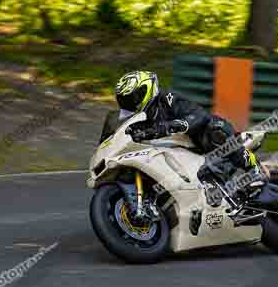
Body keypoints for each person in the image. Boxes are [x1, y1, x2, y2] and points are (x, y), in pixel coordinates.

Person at [108, 70, 266, 204]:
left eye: (133, 98)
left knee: (215, 131)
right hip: (183, 153)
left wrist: (178, 124)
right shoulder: (139, 119)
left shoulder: (167, 98)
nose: (130, 103)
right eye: (125, 101)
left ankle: (254, 169)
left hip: (203, 136)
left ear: (146, 90)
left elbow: (199, 115)